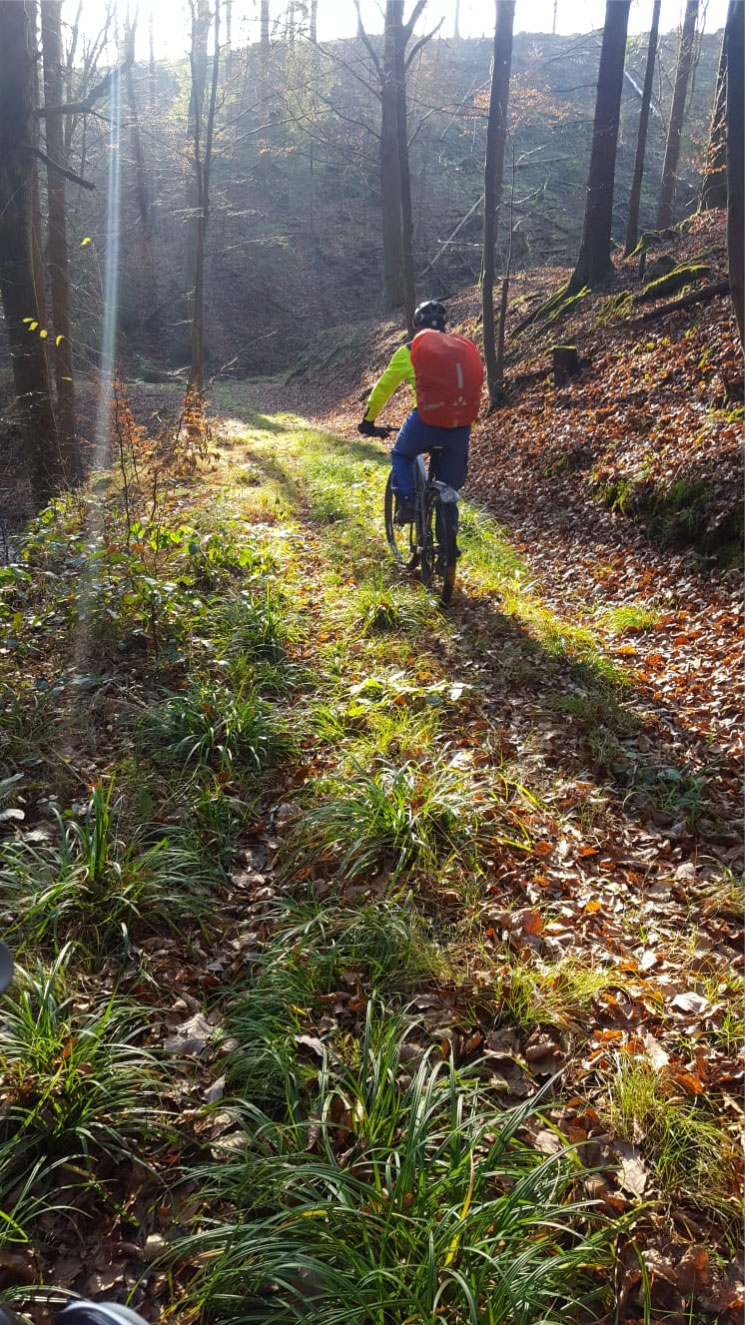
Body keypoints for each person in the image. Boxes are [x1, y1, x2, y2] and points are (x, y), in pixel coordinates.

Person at [358, 300, 477, 526]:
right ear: (444, 325)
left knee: (402, 454)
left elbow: (384, 388)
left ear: (416, 327)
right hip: (459, 425)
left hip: (426, 422)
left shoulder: (410, 351)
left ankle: (407, 502)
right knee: (448, 491)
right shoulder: (457, 350)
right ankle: (449, 552)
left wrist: (368, 421)